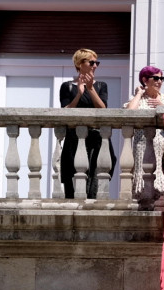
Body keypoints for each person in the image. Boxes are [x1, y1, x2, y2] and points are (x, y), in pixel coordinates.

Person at [58, 48, 116, 199]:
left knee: (95, 180)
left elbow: (102, 108)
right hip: (74, 139)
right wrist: (78, 93)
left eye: (97, 62)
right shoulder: (67, 86)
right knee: (73, 179)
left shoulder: (101, 85)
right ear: (79, 63)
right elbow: (66, 111)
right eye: (91, 62)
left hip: (96, 138)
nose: (95, 65)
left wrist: (90, 89)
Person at [124, 66, 164, 196]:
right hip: (142, 144)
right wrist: (139, 94)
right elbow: (129, 113)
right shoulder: (138, 98)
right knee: (141, 172)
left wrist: (162, 106)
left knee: (160, 175)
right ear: (145, 80)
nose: (159, 81)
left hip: (162, 146)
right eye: (156, 78)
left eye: (161, 78)